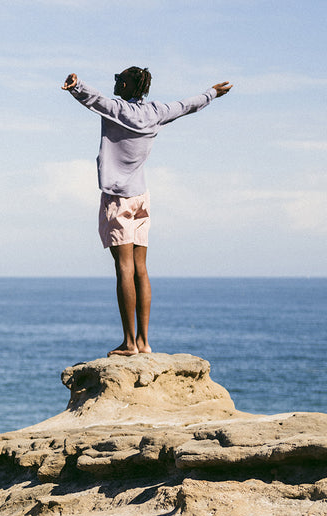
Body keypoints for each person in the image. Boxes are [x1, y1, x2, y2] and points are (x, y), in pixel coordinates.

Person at [62, 67, 232, 357]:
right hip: (142, 197)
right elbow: (186, 106)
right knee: (141, 269)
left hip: (118, 198)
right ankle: (143, 342)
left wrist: (76, 86)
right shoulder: (156, 112)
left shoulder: (118, 110)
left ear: (126, 84)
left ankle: (129, 343)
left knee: (124, 268)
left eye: (118, 80)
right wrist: (212, 93)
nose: (114, 83)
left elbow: (95, 100)